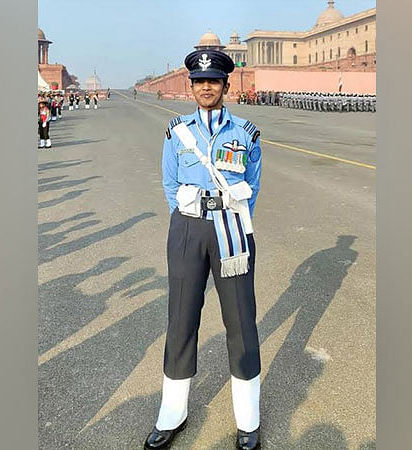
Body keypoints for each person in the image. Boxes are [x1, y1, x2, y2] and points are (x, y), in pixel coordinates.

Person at [144, 49, 262, 450]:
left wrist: (227, 217)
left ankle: (248, 420)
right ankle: (172, 413)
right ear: (191, 86)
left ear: (226, 86)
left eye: (214, 80)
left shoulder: (245, 134)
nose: (206, 87)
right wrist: (190, 221)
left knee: (241, 321)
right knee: (180, 320)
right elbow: (169, 185)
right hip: (188, 231)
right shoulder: (177, 132)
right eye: (199, 81)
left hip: (230, 228)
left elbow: (254, 186)